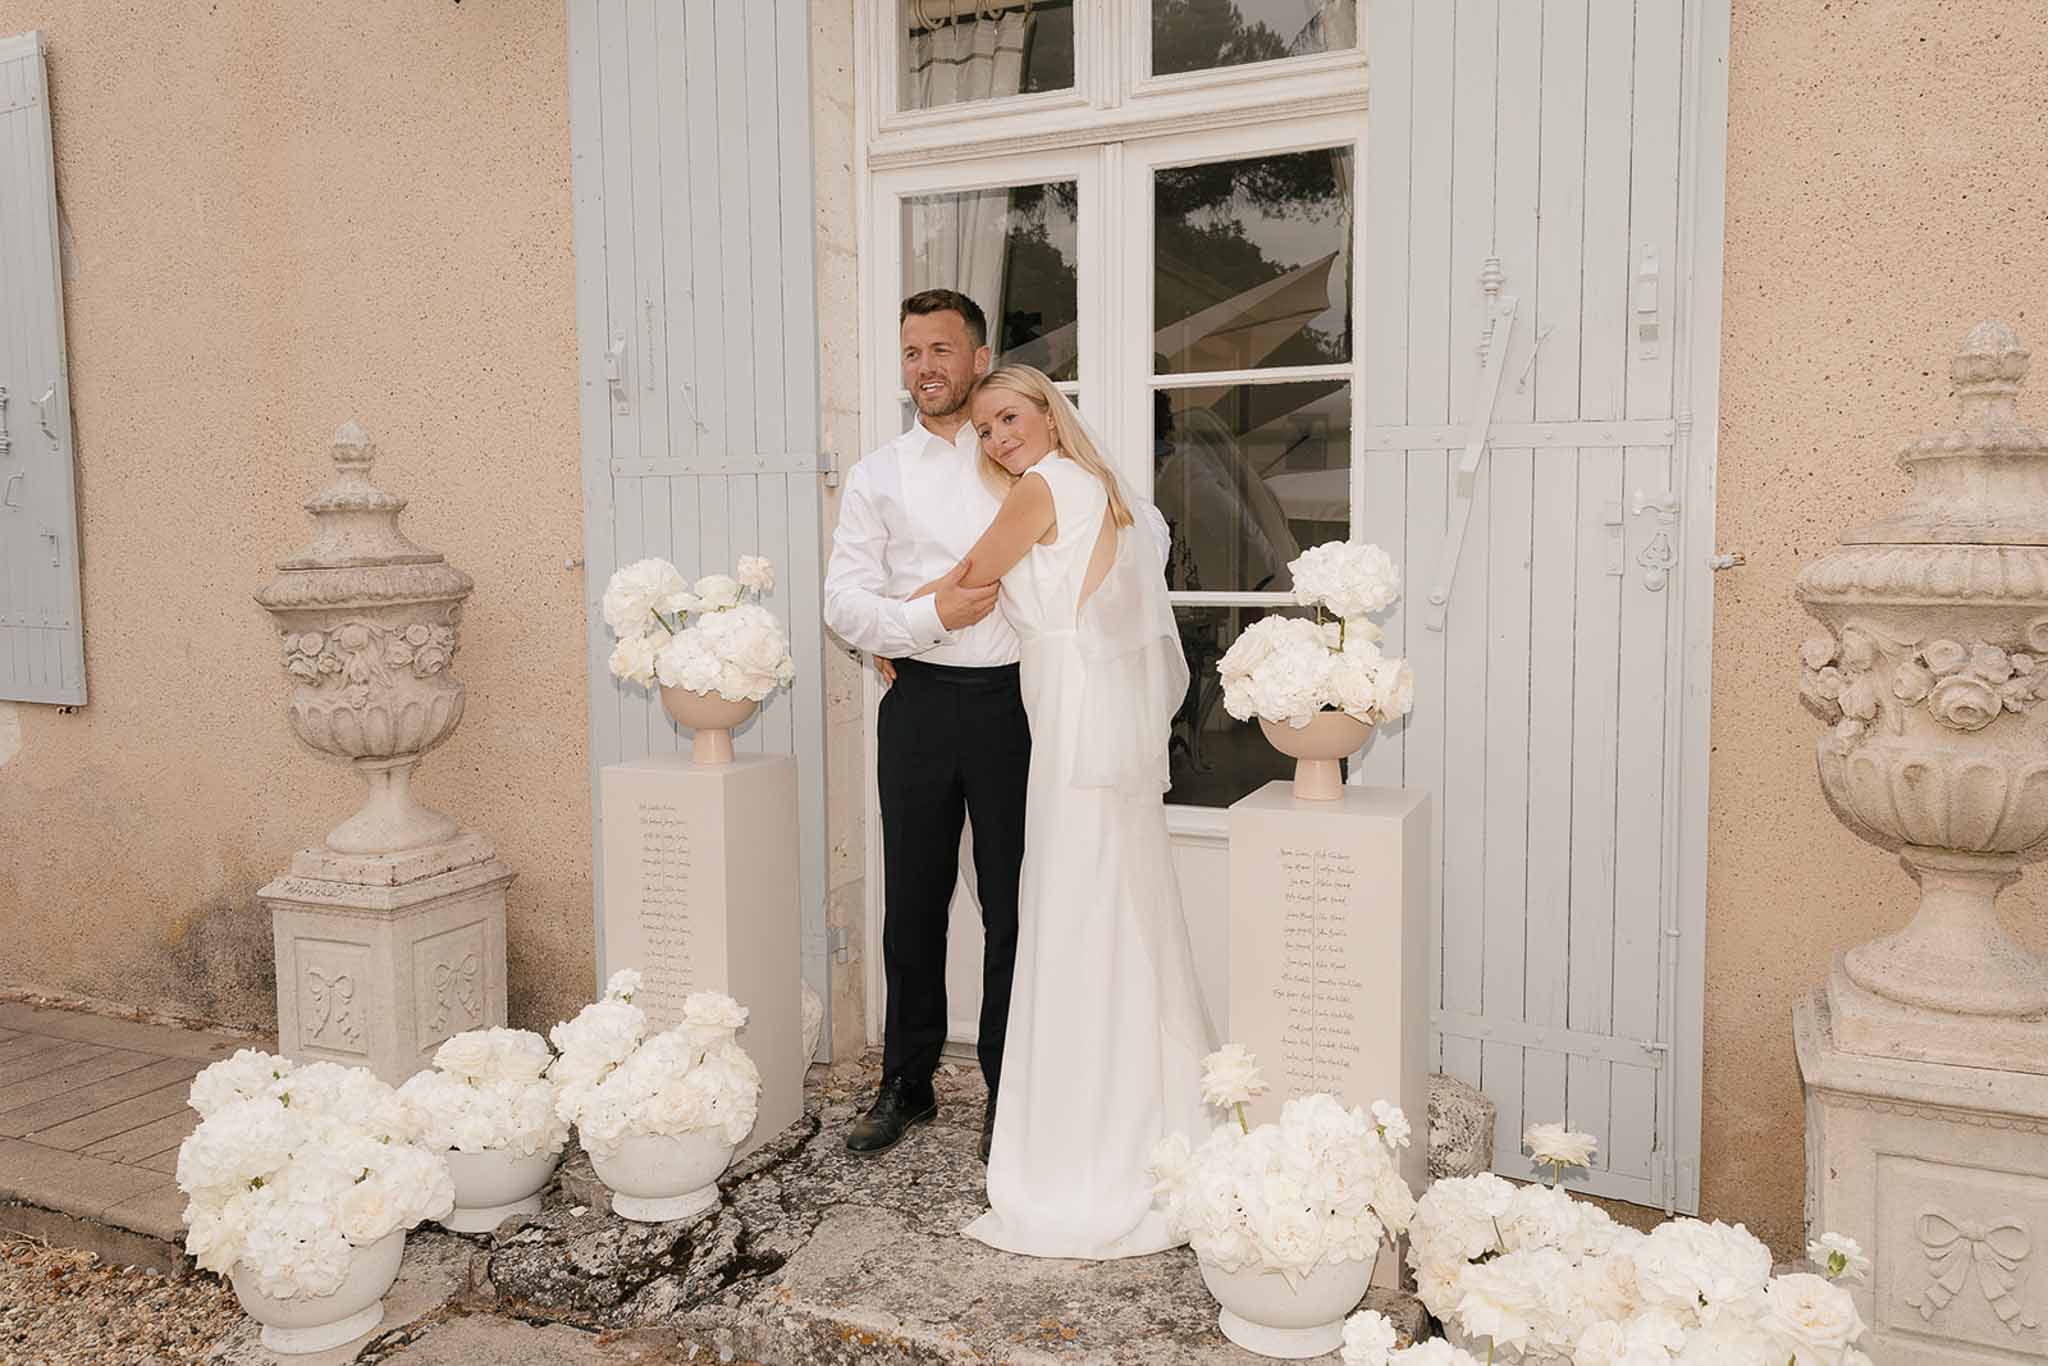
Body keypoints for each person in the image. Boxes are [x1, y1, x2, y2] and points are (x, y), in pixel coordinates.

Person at [919, 364, 1216, 1260]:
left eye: (1008, 417)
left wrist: (897, 624)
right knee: (1115, 906)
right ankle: (1145, 1110)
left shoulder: (1045, 487)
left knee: (1077, 911)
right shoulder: (1102, 491)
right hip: (1085, 716)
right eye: (986, 431)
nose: (998, 438)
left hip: (1073, 723)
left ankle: (1084, 1143)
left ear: (1049, 413)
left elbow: (970, 580)